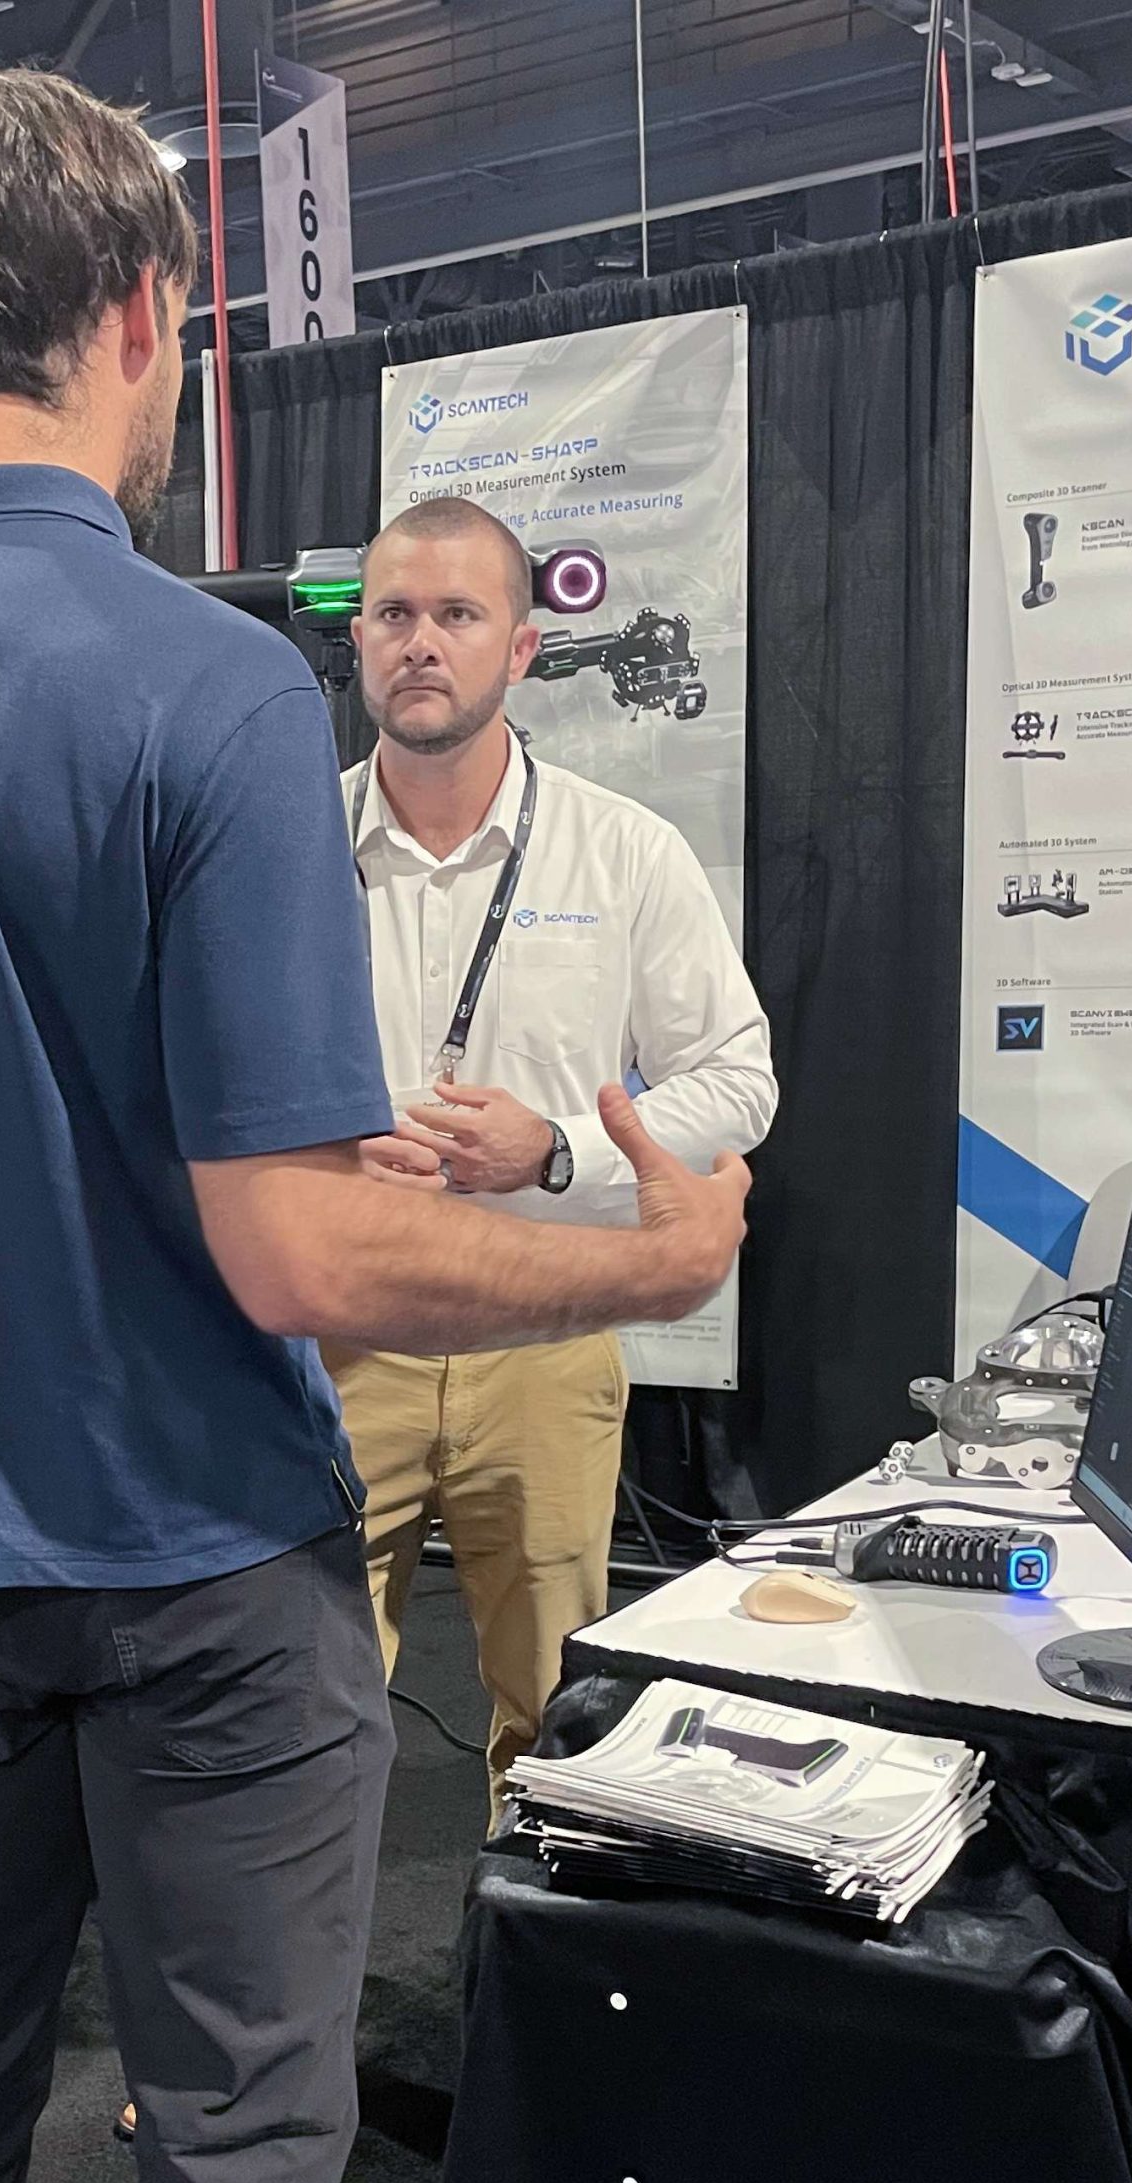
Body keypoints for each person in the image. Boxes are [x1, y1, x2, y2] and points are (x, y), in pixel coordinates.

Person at [0, 67, 750, 2183]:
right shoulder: (207, 687)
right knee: (234, 2121)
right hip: (200, 1556)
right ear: (141, 310)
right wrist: (643, 1261)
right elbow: (292, 1247)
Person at [334, 497, 779, 1822]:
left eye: (457, 614)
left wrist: (553, 1154)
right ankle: (306, 1967)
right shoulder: (282, 849)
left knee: (559, 1724)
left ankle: (522, 1949)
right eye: (394, 613)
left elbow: (739, 1082)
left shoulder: (622, 851)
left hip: (544, 1336)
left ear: (522, 649)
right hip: (336, 1348)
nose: (421, 642)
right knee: (303, 1716)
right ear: (357, 640)